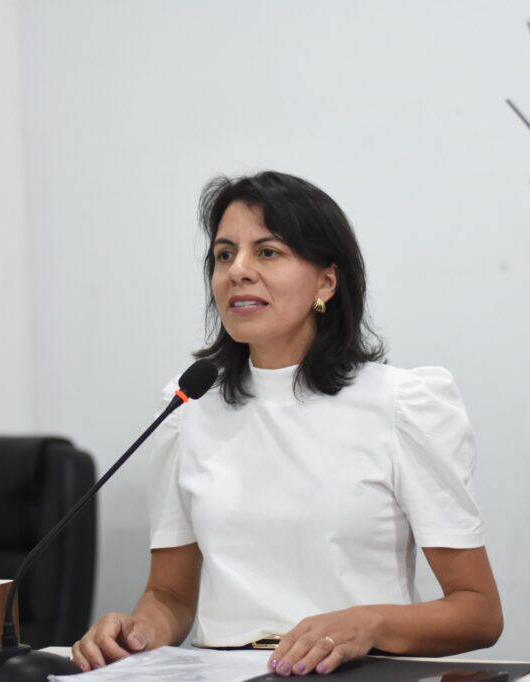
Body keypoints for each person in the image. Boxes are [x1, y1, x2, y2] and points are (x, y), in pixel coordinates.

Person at [73, 171, 503, 675]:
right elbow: (169, 596)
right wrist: (135, 633)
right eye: (224, 255)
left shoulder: (401, 404)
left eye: (268, 252)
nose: (239, 271)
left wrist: (370, 623)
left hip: (353, 673)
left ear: (326, 281)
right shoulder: (188, 407)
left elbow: (478, 612)